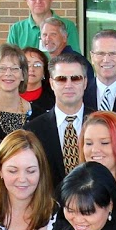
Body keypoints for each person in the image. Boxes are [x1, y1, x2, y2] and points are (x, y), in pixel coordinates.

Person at [24, 51, 92, 187]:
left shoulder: (102, 124)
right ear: (51, 83)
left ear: (85, 82)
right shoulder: (32, 131)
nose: (68, 85)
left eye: (75, 78)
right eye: (61, 79)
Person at [8, 0, 81, 54]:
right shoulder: (16, 30)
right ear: (27, 0)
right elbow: (9, 59)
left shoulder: (67, 26)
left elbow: (75, 59)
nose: (38, 1)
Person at [0, 44, 34, 136]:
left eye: (14, 68)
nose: (8, 73)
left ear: (23, 75)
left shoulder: (37, 114)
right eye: (2, 68)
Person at [21, 46, 53, 116]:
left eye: (37, 65)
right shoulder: (8, 96)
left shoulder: (54, 97)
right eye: (27, 64)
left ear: (44, 71)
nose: (31, 69)